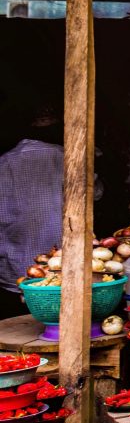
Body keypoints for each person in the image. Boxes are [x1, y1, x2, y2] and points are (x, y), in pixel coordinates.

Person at [0, 107, 65, 320]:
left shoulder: (4, 163)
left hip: (14, 268)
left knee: (20, 326)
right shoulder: (65, 157)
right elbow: (95, 193)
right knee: (57, 320)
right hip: (59, 268)